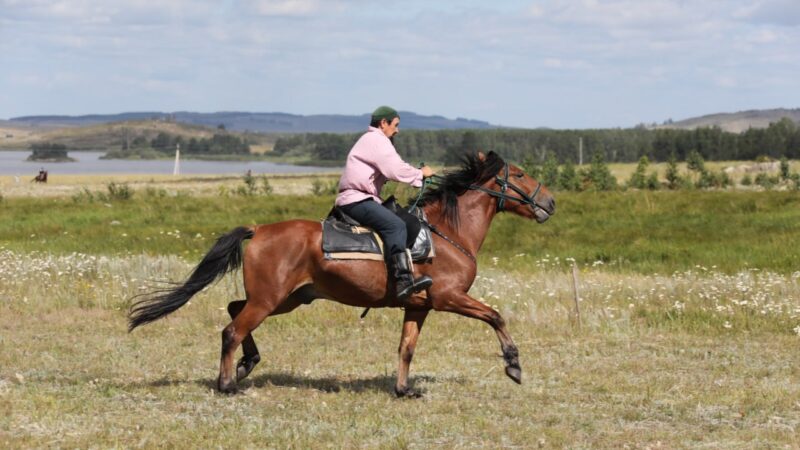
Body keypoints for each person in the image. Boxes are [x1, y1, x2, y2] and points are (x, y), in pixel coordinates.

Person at [336, 106, 435, 301]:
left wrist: (416, 174)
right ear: (384, 123)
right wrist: (420, 174)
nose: (397, 130)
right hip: (356, 199)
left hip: (364, 198)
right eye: (395, 125)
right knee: (395, 225)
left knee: (410, 222)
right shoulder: (377, 140)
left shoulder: (373, 140)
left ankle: (390, 267)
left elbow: (393, 167)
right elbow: (394, 168)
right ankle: (402, 281)